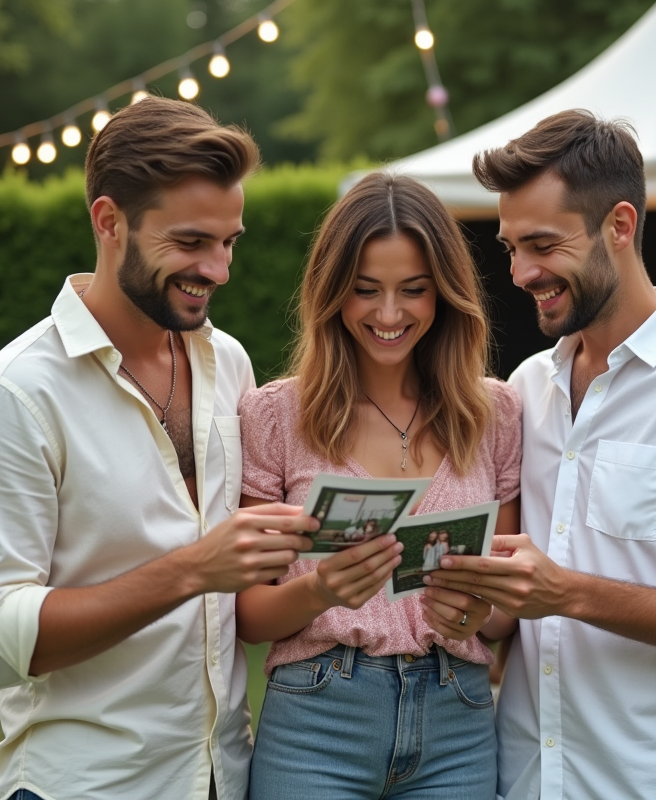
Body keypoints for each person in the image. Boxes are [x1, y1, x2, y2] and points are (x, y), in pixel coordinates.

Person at [0, 97, 317, 800]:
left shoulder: (226, 361)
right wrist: (191, 570)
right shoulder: (14, 396)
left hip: (224, 776)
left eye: (230, 241)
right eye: (192, 242)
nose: (220, 268)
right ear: (109, 222)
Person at [427, 110, 656, 800]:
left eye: (541, 245)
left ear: (619, 226)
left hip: (652, 782)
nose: (519, 272)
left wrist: (569, 593)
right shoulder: (526, 388)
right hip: (522, 776)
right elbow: (518, 602)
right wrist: (467, 598)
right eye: (510, 247)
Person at [235, 172, 523, 799]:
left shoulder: (494, 412)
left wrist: (478, 610)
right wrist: (320, 590)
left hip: (458, 718)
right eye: (365, 291)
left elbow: (503, 613)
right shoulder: (276, 414)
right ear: (331, 293)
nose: (389, 315)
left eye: (413, 291)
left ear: (444, 294)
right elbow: (249, 615)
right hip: (318, 719)